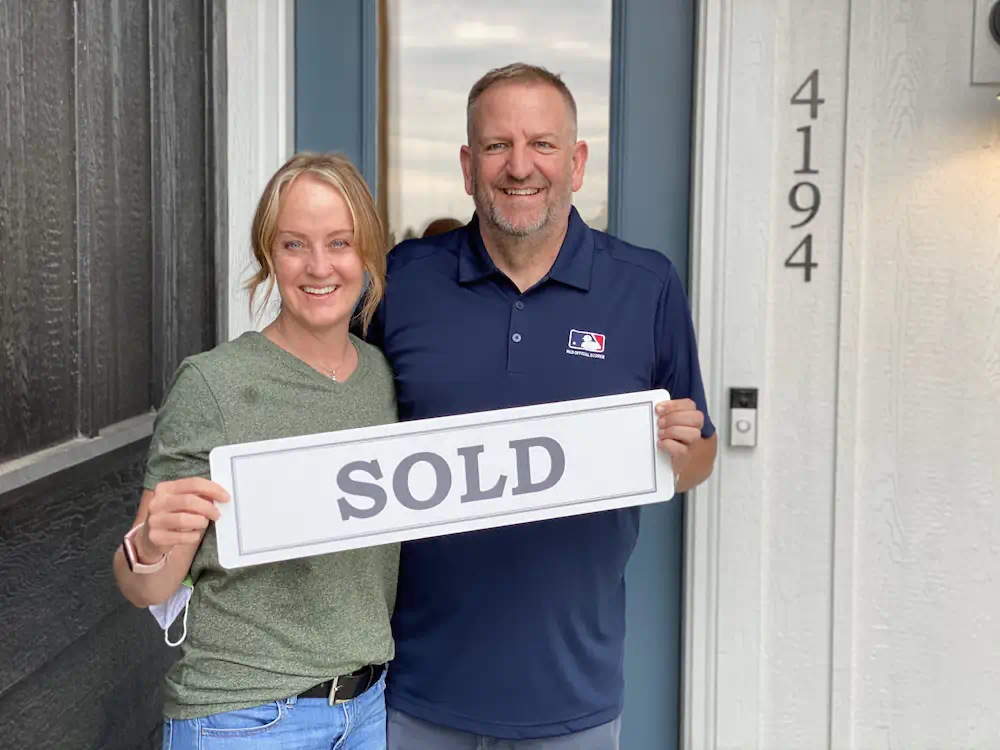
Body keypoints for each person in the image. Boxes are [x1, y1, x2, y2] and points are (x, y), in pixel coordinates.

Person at [368, 63, 718, 749]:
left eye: (543, 144)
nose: (519, 166)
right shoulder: (404, 281)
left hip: (575, 699)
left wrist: (684, 452)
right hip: (416, 690)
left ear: (577, 162)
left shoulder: (645, 286)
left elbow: (696, 457)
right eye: (497, 146)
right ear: (468, 166)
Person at [113, 153, 398, 749]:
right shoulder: (213, 385)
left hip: (366, 710)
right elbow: (147, 587)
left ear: (366, 251)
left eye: (340, 242)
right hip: (244, 720)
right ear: (269, 255)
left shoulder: (381, 378)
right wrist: (148, 544)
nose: (320, 265)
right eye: (295, 244)